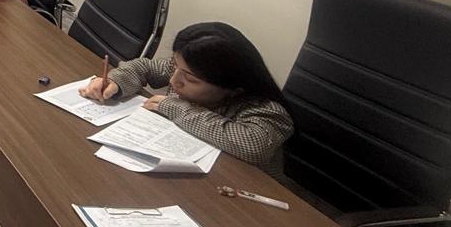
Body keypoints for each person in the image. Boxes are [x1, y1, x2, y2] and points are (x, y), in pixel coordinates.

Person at [79, 23, 294, 177]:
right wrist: (116, 83)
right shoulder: (183, 70)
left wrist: (177, 108)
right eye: (175, 66)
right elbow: (144, 67)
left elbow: (253, 145)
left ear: (232, 89)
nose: (174, 80)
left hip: (239, 191)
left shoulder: (265, 110)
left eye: (190, 79)